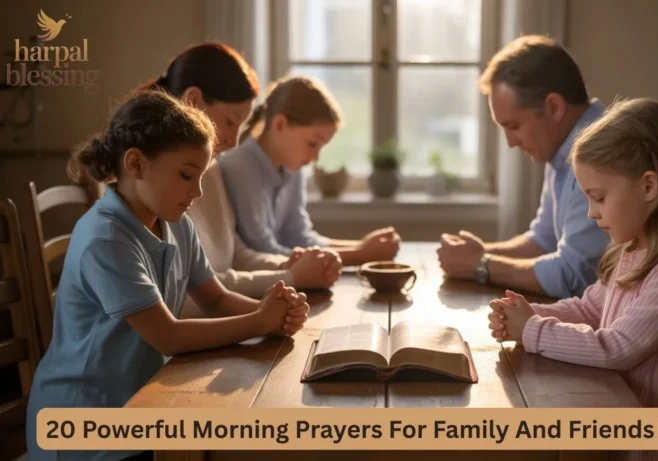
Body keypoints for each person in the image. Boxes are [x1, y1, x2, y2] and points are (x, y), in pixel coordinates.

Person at [25, 91, 310, 461]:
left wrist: (275, 314)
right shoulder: (106, 237)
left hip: (144, 406)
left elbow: (216, 299)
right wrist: (259, 320)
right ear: (136, 164)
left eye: (202, 176)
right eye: (187, 175)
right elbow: (168, 336)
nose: (198, 192)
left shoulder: (177, 224)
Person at [488, 98, 658, 461]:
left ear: (648, 187)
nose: (591, 213)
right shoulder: (633, 250)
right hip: (625, 422)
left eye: (598, 197)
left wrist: (532, 330)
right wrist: (528, 312)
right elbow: (590, 308)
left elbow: (618, 348)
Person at [138, 43, 342, 309]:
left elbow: (234, 253)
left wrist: (286, 265)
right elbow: (188, 295)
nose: (234, 142)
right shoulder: (153, 182)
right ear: (193, 102)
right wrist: (289, 276)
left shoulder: (208, 170)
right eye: (230, 122)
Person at [437, 35, 609, 299]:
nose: (510, 142)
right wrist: (479, 254)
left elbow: (572, 274)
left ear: (554, 107)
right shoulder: (563, 146)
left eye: (514, 126)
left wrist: (480, 265)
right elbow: (544, 240)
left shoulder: (601, 152)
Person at [218, 75, 400, 266]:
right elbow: (262, 249)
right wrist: (361, 255)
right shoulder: (239, 168)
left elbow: (299, 237)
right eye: (312, 144)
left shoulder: (292, 167)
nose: (315, 158)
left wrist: (360, 247)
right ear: (280, 124)